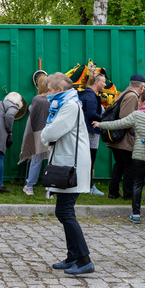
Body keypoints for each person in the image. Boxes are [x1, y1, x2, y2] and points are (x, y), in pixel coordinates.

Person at [40, 72, 94, 275]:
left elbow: (51, 132)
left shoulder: (69, 106)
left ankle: (84, 259)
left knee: (64, 212)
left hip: (72, 166)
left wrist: (44, 134)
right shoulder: (66, 103)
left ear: (59, 90)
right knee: (64, 211)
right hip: (68, 163)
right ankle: (74, 256)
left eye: (51, 91)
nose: (49, 94)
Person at [95, 91, 145, 225]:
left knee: (137, 183)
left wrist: (100, 124)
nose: (138, 103)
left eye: (140, 100)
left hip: (140, 154)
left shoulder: (137, 114)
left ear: (144, 102)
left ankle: (136, 214)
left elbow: (119, 124)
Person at [107, 74, 145, 199]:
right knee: (129, 166)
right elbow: (126, 117)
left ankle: (113, 192)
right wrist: (136, 132)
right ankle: (128, 194)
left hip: (118, 137)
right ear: (142, 86)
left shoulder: (124, 93)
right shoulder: (132, 96)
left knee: (119, 165)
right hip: (124, 138)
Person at [19, 75, 51, 197]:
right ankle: (50, 189)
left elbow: (33, 119)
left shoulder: (37, 100)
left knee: (36, 160)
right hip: (53, 133)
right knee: (51, 161)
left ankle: (30, 186)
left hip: (38, 133)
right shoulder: (54, 99)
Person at [79, 73, 106, 196]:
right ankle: (88, 186)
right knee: (90, 159)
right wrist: (104, 119)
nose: (105, 84)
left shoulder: (86, 95)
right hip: (91, 132)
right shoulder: (91, 97)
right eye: (103, 82)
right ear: (96, 82)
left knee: (86, 160)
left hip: (85, 130)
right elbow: (91, 113)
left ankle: (85, 185)